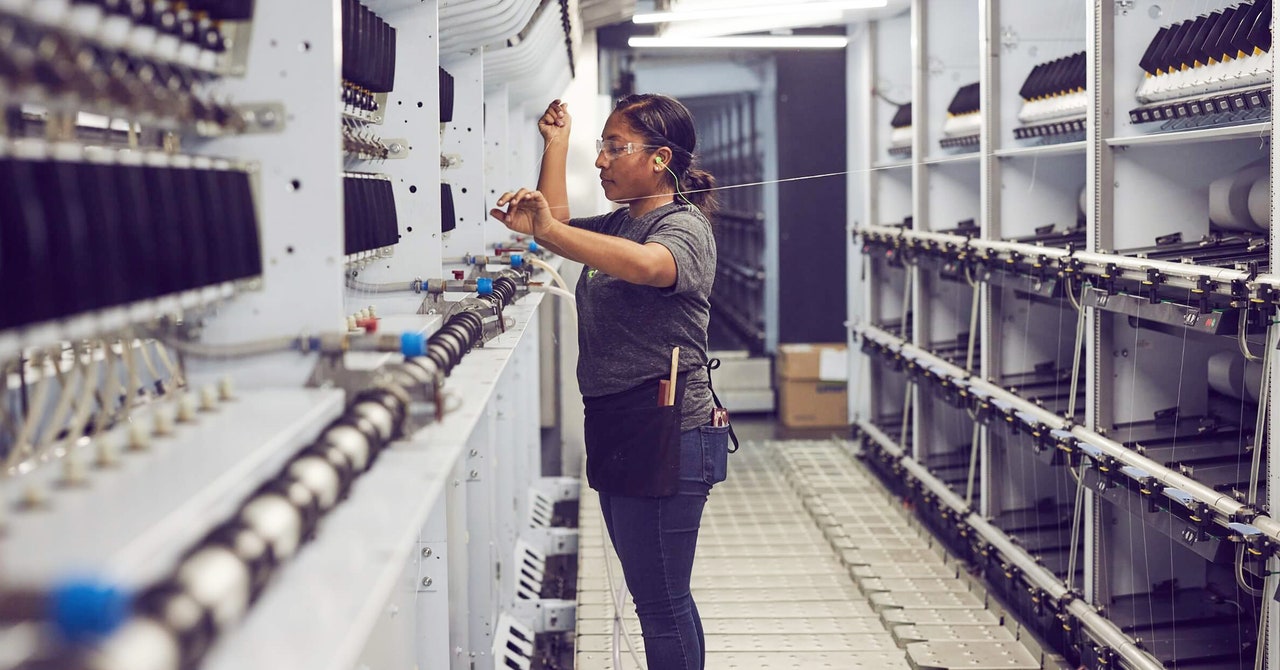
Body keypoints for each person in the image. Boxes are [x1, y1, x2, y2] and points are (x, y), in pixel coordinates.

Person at [490, 93, 730, 670]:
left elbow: (648, 266)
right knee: (661, 597)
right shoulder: (626, 220)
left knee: (661, 601)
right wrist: (556, 146)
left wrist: (550, 229)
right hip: (622, 423)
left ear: (658, 158)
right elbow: (562, 229)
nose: (601, 161)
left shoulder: (681, 227)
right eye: (600, 147)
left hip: (668, 430)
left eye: (613, 147)